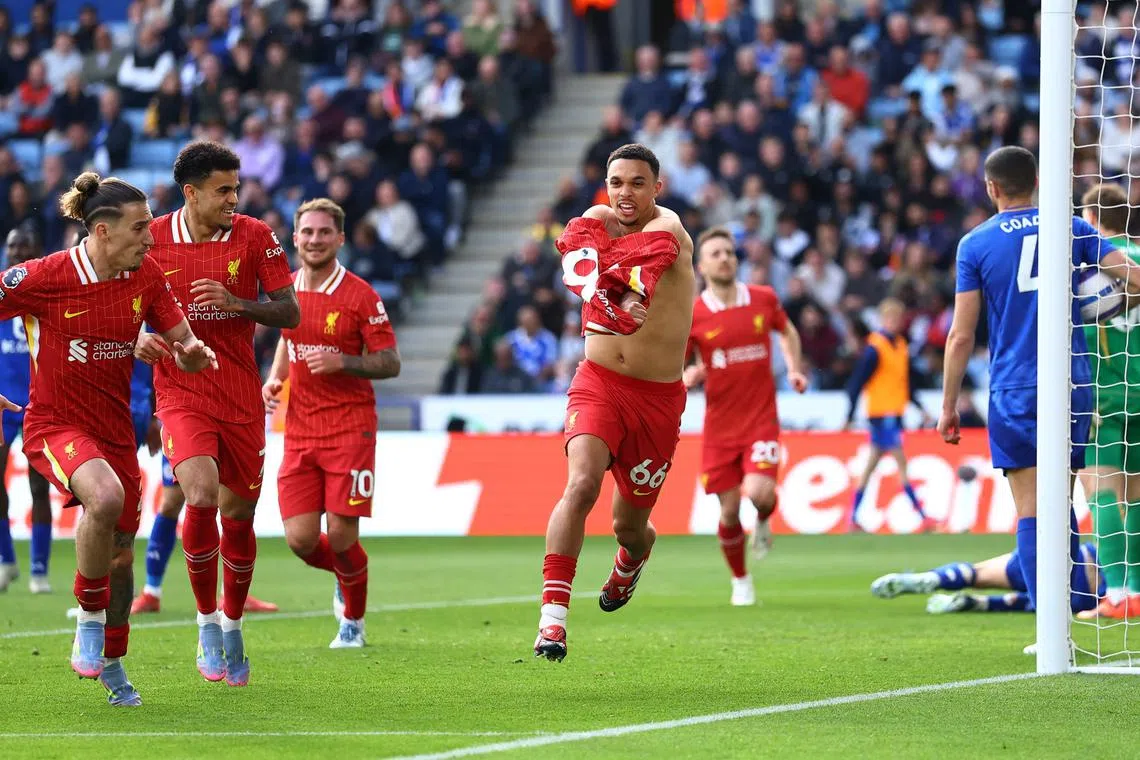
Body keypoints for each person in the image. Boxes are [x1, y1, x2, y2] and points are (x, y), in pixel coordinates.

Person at [0, 172, 216, 705]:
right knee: (105, 496)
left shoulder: (146, 276)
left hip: (115, 431)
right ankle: (88, 620)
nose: (150, 237)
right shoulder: (46, 275)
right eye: (141, 228)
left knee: (122, 558)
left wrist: (190, 351)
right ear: (100, 231)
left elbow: (182, 335)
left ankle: (114, 658)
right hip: (55, 424)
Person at [940, 146, 1140, 652]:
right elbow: (1135, 280)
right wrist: (1104, 302)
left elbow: (961, 335)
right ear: (1037, 180)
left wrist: (948, 405)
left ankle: (1051, 631)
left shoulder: (975, 243)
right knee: (1063, 503)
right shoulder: (1071, 228)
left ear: (991, 188)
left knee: (1030, 509)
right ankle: (1088, 605)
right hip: (1071, 381)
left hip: (1013, 386)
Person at [137, 142, 298, 686]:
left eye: (237, 187)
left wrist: (238, 303)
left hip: (240, 396)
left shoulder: (254, 235)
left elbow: (290, 311)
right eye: (223, 190)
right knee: (199, 495)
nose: (235, 198)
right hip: (182, 391)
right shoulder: (152, 238)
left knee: (239, 515)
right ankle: (207, 624)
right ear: (191, 192)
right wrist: (140, 337)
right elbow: (114, 299)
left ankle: (232, 622)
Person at [535, 144, 694, 662]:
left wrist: (598, 278)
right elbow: (576, 260)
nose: (625, 194)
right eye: (616, 182)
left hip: (656, 400)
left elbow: (626, 276)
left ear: (657, 188)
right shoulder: (596, 217)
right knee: (580, 483)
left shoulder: (668, 231)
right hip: (598, 381)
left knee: (630, 524)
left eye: (637, 183)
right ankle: (552, 622)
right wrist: (598, 284)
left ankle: (631, 559)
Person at [263, 198, 400, 649]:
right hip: (300, 430)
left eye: (324, 232)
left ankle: (353, 623)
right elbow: (287, 339)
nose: (314, 240)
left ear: (340, 239)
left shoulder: (361, 295)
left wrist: (343, 360)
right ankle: (349, 573)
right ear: (295, 237)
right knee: (301, 540)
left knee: (342, 536)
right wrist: (276, 377)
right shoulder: (285, 290)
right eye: (307, 232)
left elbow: (390, 362)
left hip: (350, 428)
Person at [683, 227, 807, 606]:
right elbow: (678, 364)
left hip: (761, 420)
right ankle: (741, 579)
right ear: (702, 266)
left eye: (730, 252)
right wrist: (687, 376)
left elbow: (786, 332)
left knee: (758, 493)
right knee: (729, 509)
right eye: (716, 253)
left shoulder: (763, 298)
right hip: (720, 428)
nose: (725, 258)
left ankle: (765, 518)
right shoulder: (693, 315)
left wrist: (794, 368)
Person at [1076, 182, 1140, 619]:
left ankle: (1115, 594)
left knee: (1099, 490)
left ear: (1092, 219)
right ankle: (1135, 590)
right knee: (1134, 496)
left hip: (1102, 393)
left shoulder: (1085, 266)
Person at [845, 298, 937, 532]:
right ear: (884, 320)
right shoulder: (874, 348)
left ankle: (852, 518)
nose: (895, 323)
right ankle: (923, 517)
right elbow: (856, 383)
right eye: (891, 318)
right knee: (901, 462)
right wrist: (849, 414)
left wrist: (921, 407)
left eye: (898, 318)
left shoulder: (900, 346)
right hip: (882, 413)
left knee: (870, 466)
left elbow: (904, 383)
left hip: (895, 411)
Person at [0, 228, 52, 593]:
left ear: (35, 251)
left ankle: (38, 570)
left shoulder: (45, 295)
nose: (17, 252)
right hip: (2, 403)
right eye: (12, 246)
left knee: (38, 486)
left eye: (24, 246)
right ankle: (6, 561)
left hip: (35, 403)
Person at [870, 542, 1104, 615]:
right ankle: (983, 603)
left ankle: (938, 578)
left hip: (1079, 557)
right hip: (1094, 598)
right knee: (1046, 605)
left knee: (979, 573)